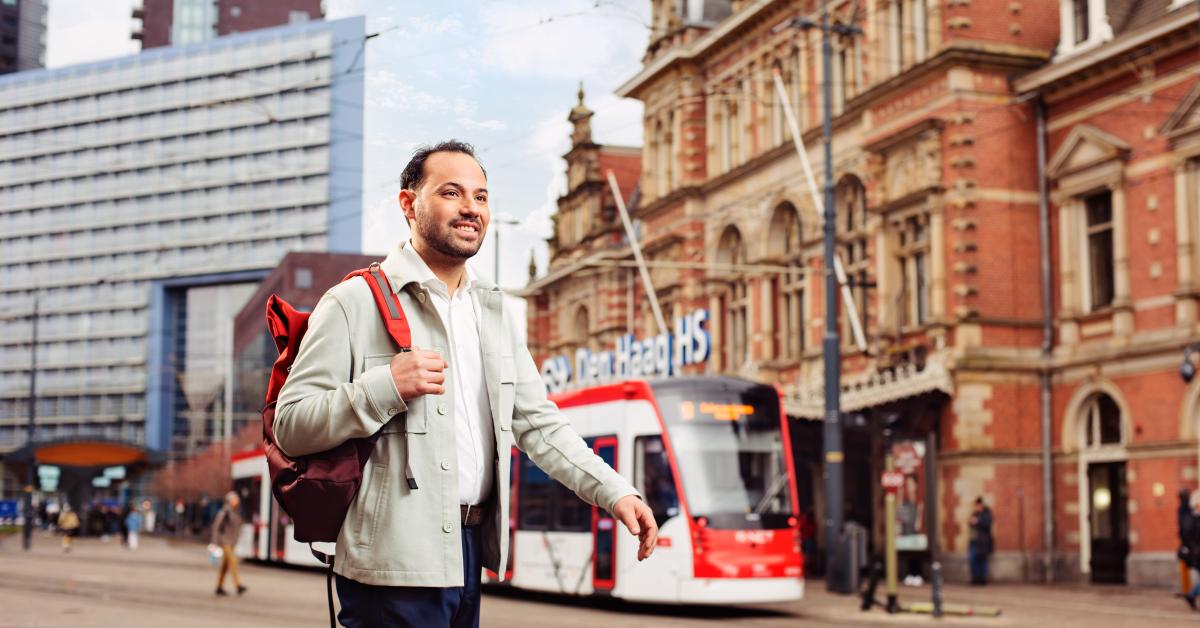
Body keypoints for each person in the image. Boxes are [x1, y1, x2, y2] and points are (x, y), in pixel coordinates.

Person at [274, 140, 657, 628]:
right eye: (452, 193)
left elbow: (539, 426)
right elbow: (291, 425)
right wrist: (384, 387)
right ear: (408, 205)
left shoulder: (493, 310)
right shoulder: (353, 302)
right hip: (389, 565)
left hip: (470, 551)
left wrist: (617, 492)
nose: (471, 208)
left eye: (481, 196)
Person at [210, 491, 246, 596]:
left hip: (232, 542)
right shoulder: (225, 512)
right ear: (230, 501)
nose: (237, 500)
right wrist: (214, 542)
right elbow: (216, 526)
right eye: (235, 498)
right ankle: (238, 586)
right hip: (225, 542)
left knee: (224, 567)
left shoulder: (236, 512)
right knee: (233, 562)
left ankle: (219, 587)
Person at [967, 497, 993, 585]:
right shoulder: (975, 513)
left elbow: (988, 523)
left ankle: (982, 578)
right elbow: (970, 524)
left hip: (983, 542)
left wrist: (977, 521)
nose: (975, 507)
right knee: (973, 559)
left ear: (980, 505)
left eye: (977, 505)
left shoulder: (986, 513)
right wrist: (971, 522)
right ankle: (976, 578)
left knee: (982, 560)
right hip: (974, 540)